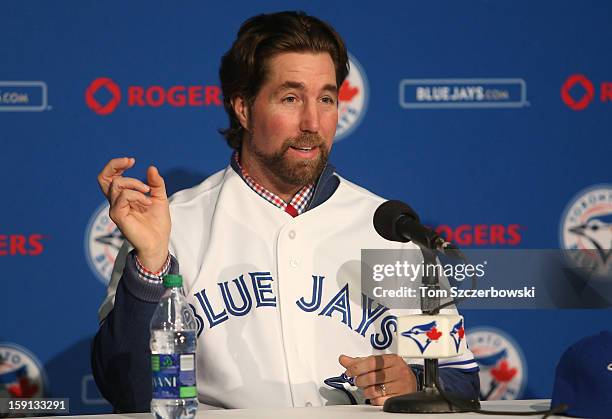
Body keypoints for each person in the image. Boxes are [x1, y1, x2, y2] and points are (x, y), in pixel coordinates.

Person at [91, 11, 480, 412]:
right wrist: (151, 265)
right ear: (243, 108)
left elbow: (462, 381)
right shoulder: (175, 226)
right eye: (290, 98)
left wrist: (415, 380)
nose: (312, 122)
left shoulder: (390, 229)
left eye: (326, 99)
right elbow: (129, 392)